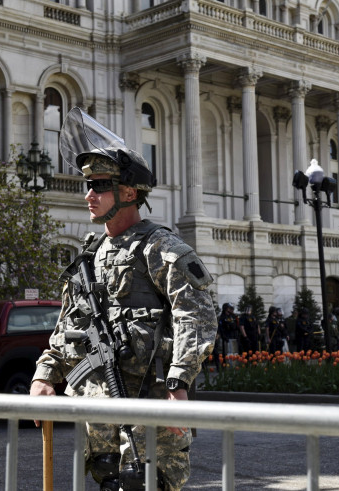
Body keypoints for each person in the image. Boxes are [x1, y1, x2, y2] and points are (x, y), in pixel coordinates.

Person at [30, 108, 217, 491]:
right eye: (89, 185)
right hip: (101, 415)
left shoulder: (160, 247)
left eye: (99, 185)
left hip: (150, 414)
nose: (89, 195)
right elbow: (70, 325)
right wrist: (45, 374)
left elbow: (195, 316)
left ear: (129, 193)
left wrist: (179, 383)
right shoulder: (90, 254)